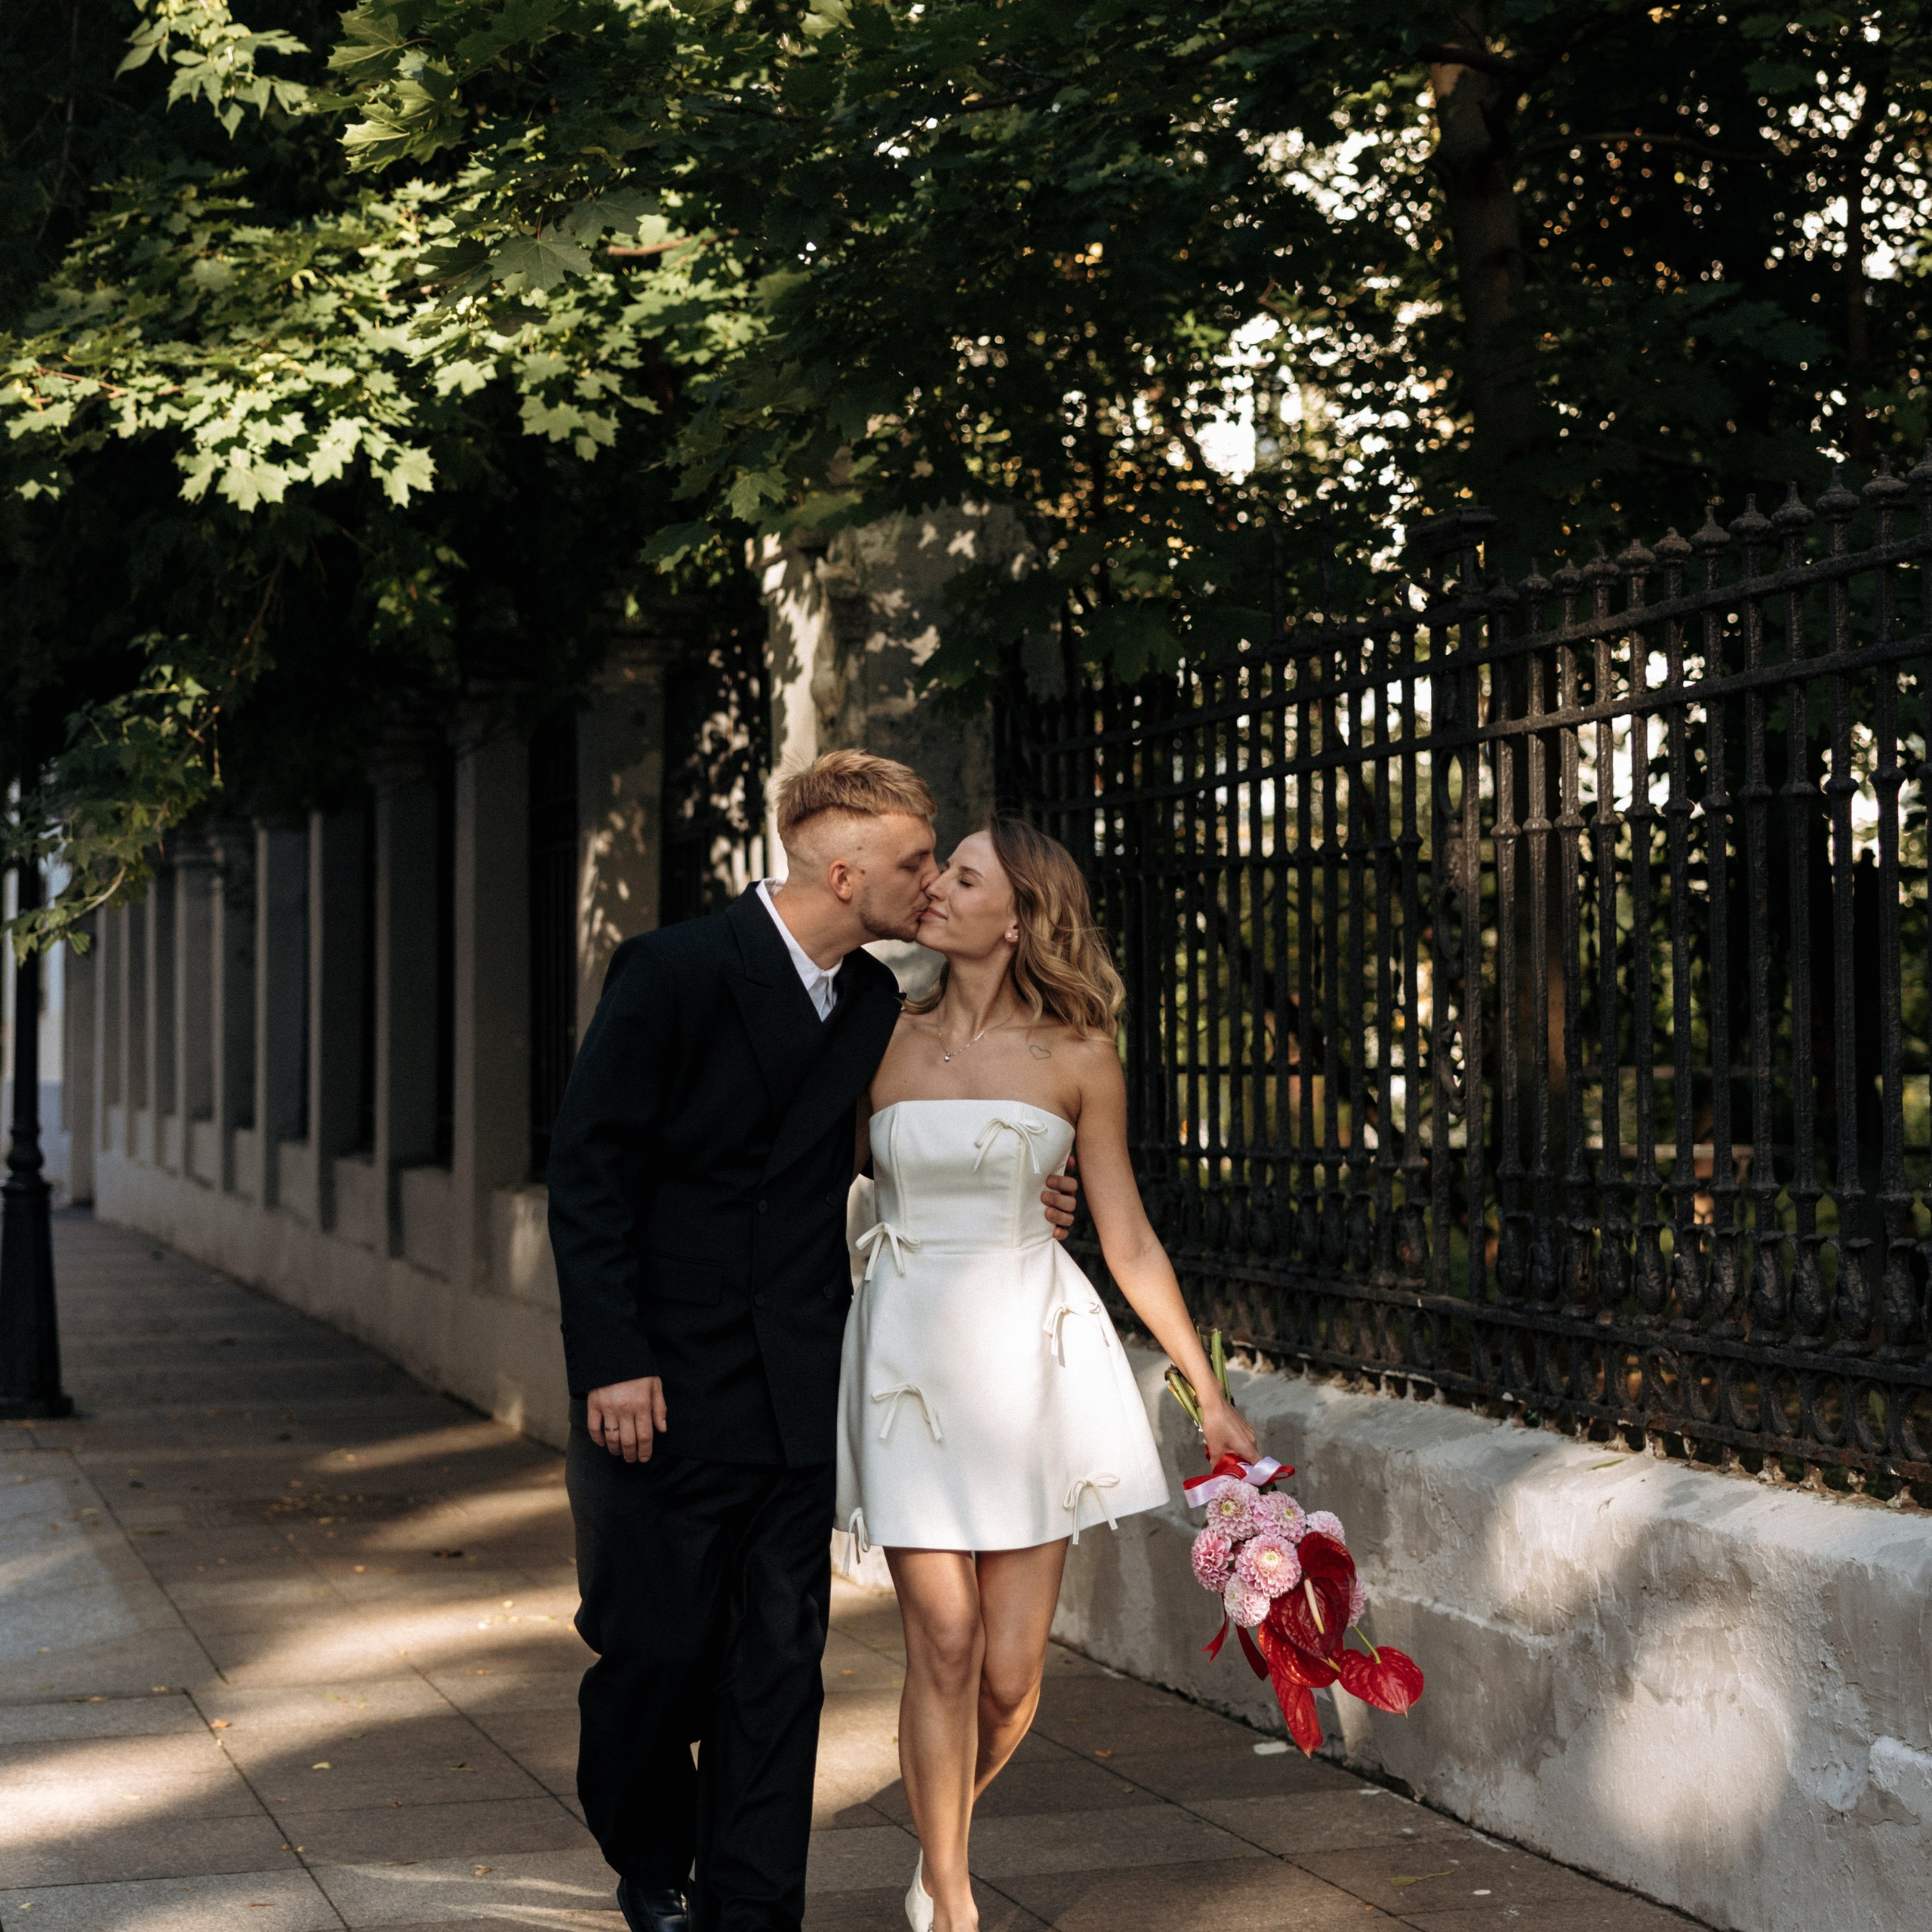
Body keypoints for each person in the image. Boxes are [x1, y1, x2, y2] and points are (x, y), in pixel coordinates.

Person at [545, 752, 1079, 1932]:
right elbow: (587, 1179)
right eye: (910, 861)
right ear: (844, 873)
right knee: (652, 1664)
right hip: (657, 1394)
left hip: (800, 1392)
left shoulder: (877, 1002)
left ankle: (750, 1914)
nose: (929, 880)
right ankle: (652, 1855)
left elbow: (890, 1153)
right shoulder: (671, 972)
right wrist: (613, 1359)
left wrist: (1017, 1193)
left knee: (776, 1676)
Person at [836, 815, 1257, 1932]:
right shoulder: (876, 1029)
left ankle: (940, 1838)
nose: (933, 889)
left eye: (959, 876)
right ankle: (959, 1902)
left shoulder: (1078, 1055)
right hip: (906, 1362)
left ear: (1017, 918)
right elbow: (811, 1176)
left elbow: (1124, 1238)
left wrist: (1205, 1392)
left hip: (1032, 1360)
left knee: (1012, 1680)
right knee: (944, 1635)